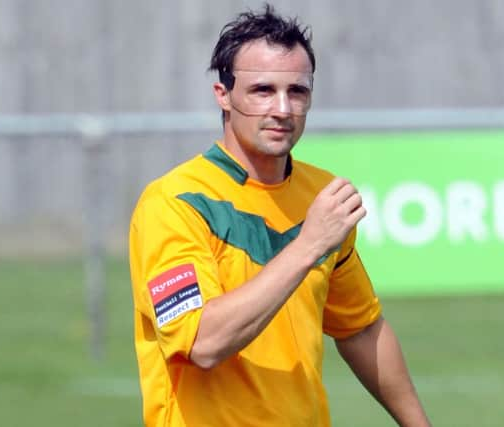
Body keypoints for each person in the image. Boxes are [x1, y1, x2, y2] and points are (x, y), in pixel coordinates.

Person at [129, 4, 431, 426]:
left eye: (297, 92)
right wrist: (308, 245)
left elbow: (360, 328)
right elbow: (203, 342)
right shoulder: (175, 202)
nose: (283, 109)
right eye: (262, 91)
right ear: (224, 95)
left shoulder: (319, 196)